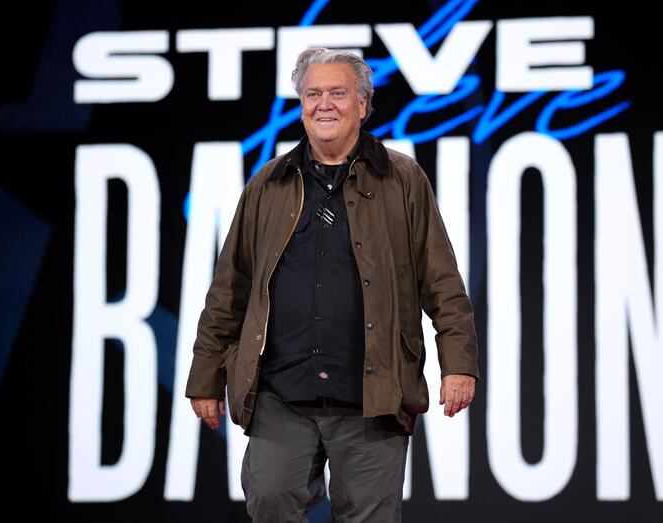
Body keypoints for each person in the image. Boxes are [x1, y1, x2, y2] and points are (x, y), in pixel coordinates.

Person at [186, 47, 479, 522]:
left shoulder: (402, 180)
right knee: (270, 500)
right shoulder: (268, 184)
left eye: (338, 93)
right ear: (301, 105)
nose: (325, 104)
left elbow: (442, 281)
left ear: (363, 105)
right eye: (313, 94)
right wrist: (205, 378)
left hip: (373, 396)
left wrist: (459, 365)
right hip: (280, 393)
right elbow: (230, 289)